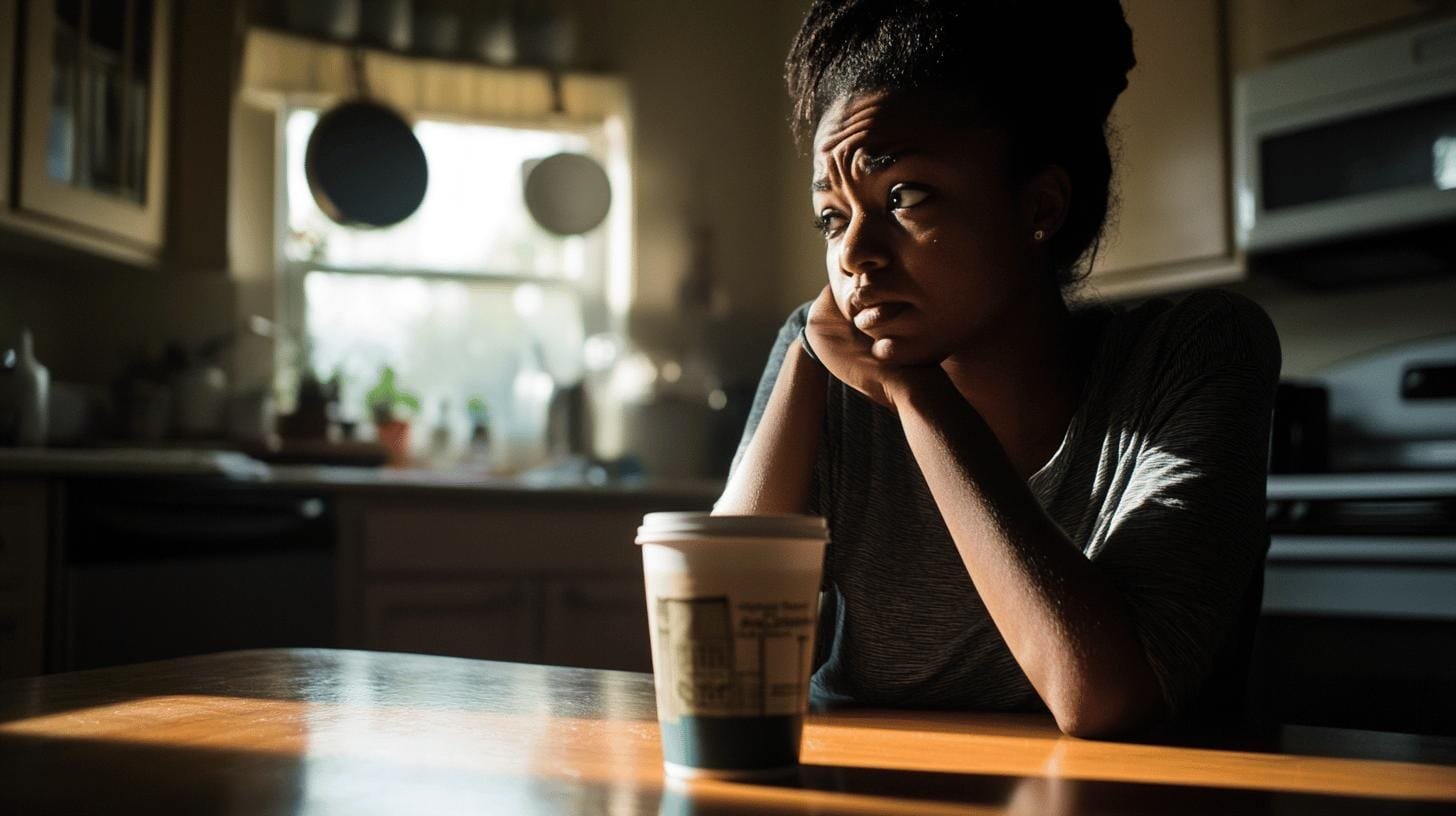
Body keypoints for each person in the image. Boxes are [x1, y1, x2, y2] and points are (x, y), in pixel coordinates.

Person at [715, 0, 1281, 738]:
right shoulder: (825, 359)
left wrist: (920, 398)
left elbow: (1105, 699)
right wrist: (805, 355)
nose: (853, 254)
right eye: (832, 216)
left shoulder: (1194, 351)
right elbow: (718, 648)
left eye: (904, 196)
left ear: (1038, 205)